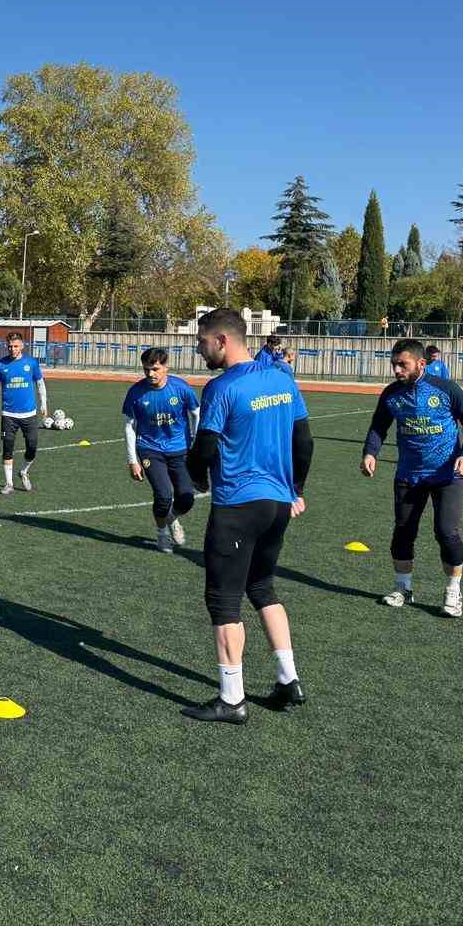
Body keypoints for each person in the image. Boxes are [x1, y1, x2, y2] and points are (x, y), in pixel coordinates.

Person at [181, 308, 312, 724]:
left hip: (237, 506)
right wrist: (296, 490)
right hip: (277, 505)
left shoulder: (221, 387)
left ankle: (232, 698)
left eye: (202, 342)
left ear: (221, 340)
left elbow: (203, 449)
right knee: (262, 586)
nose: (199, 350)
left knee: (223, 601)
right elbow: (304, 441)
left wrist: (198, 479)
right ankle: (288, 680)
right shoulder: (282, 378)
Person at [360, 339, 463, 620]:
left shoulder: (445, 389)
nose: (397, 370)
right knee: (403, 532)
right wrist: (370, 452)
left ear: (421, 364)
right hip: (408, 474)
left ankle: (453, 590)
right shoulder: (391, 394)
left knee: (446, 532)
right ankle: (403, 588)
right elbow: (379, 425)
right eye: (394, 364)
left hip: (447, 474)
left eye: (403, 364)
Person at [122, 347, 201, 552]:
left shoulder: (181, 388)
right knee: (164, 495)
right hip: (149, 449)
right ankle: (162, 533)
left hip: (179, 449)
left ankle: (172, 519)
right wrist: (133, 460)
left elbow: (196, 413)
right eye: (146, 369)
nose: (150, 374)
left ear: (166, 367)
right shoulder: (136, 393)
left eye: (155, 369)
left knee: (186, 497)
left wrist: (196, 441)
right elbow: (129, 426)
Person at [0, 331, 49, 494]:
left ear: (22, 346)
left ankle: (23, 471)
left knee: (32, 447)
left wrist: (44, 403)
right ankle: (9, 484)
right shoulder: (0, 364)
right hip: (8, 415)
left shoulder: (31, 363)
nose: (12, 349)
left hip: (29, 415)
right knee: (7, 447)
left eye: (15, 346)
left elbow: (40, 383)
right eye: (10, 346)